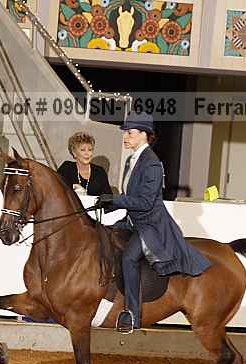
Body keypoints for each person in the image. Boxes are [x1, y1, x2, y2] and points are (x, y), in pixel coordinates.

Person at [96, 113, 211, 333]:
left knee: (129, 258)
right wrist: (109, 204)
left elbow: (146, 202)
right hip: (133, 220)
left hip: (151, 225)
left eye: (130, 133)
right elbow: (131, 198)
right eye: (126, 133)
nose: (125, 137)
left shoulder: (152, 164)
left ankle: (132, 314)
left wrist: (116, 200)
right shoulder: (132, 160)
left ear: (144, 135)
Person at [57, 131, 112, 196]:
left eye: (90, 150)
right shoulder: (67, 168)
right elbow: (56, 186)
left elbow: (108, 197)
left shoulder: (100, 172)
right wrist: (73, 186)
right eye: (82, 150)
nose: (87, 153)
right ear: (74, 153)